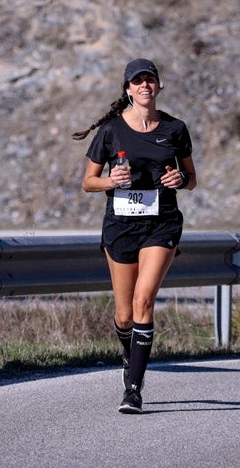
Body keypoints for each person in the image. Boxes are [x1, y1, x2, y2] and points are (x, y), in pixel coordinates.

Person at [73, 57, 197, 414]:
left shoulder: (175, 128)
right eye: (138, 81)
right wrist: (111, 181)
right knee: (125, 315)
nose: (145, 86)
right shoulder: (112, 131)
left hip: (162, 224)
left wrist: (181, 181)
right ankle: (132, 358)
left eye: (150, 80)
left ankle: (133, 390)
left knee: (145, 301)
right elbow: (87, 182)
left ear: (158, 86)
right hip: (122, 226)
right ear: (127, 88)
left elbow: (191, 178)